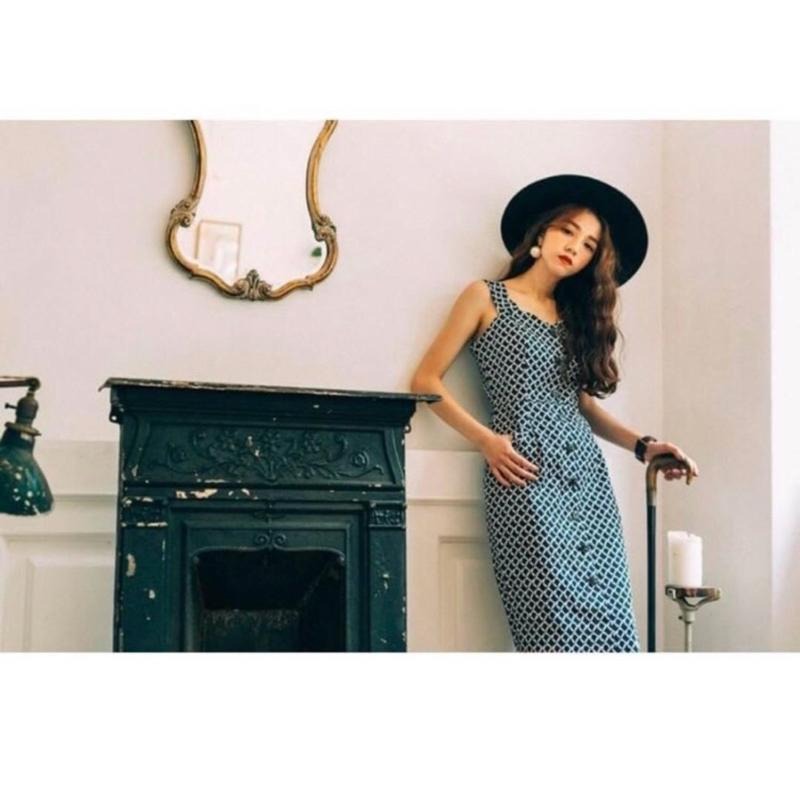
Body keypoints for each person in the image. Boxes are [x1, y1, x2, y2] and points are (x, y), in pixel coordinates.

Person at [410, 173, 700, 653]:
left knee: (613, 626)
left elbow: (581, 405)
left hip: (587, 481)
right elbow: (425, 381)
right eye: (568, 231)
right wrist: (486, 441)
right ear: (542, 232)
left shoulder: (574, 317)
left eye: (588, 246)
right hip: (524, 476)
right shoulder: (485, 296)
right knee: (551, 628)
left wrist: (644, 447)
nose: (574, 248)